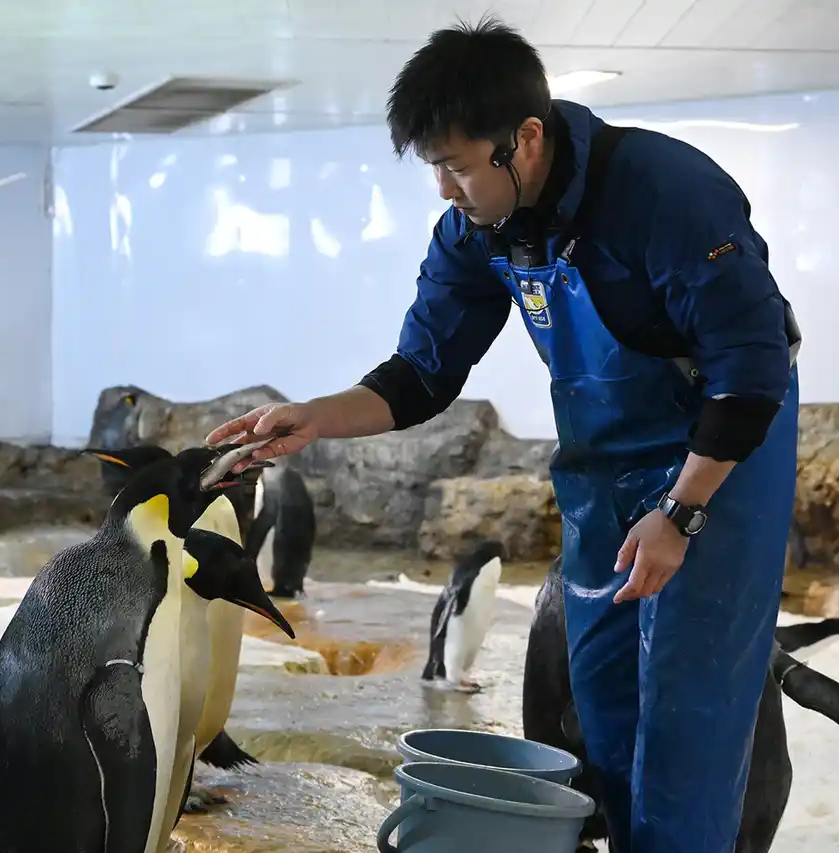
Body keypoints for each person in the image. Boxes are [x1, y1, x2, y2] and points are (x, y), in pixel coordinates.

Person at [205, 15, 801, 853]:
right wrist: (315, 418)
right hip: (602, 471)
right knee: (603, 709)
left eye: (455, 166)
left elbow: (751, 368)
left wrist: (681, 511)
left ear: (524, 140)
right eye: (434, 167)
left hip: (720, 462)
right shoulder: (479, 230)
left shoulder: (666, 192)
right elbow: (422, 373)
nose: (444, 190)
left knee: (688, 721)